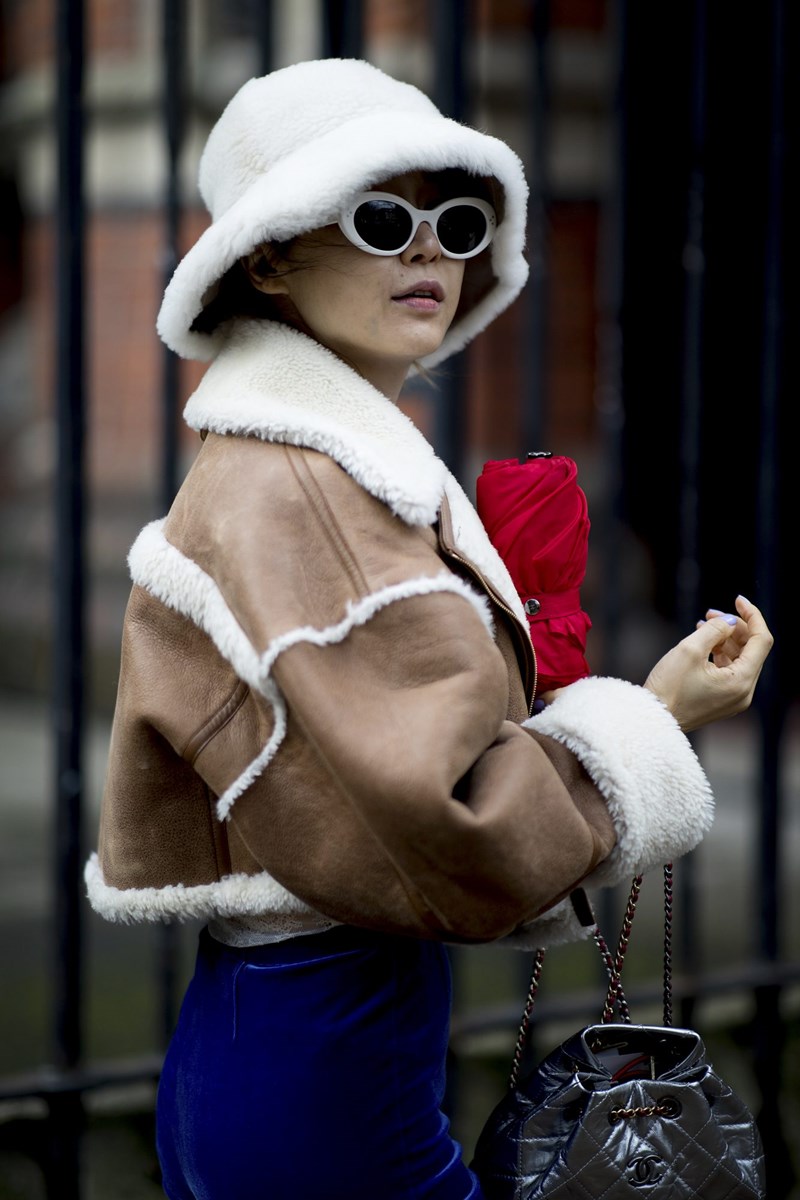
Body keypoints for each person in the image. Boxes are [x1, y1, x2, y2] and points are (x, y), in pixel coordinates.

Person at [85, 58, 773, 1200]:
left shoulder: (311, 463)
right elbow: (441, 814)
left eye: (456, 221)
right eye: (379, 215)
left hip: (290, 1027)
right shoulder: (310, 483)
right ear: (271, 254)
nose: (428, 251)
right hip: (323, 1039)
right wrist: (650, 722)